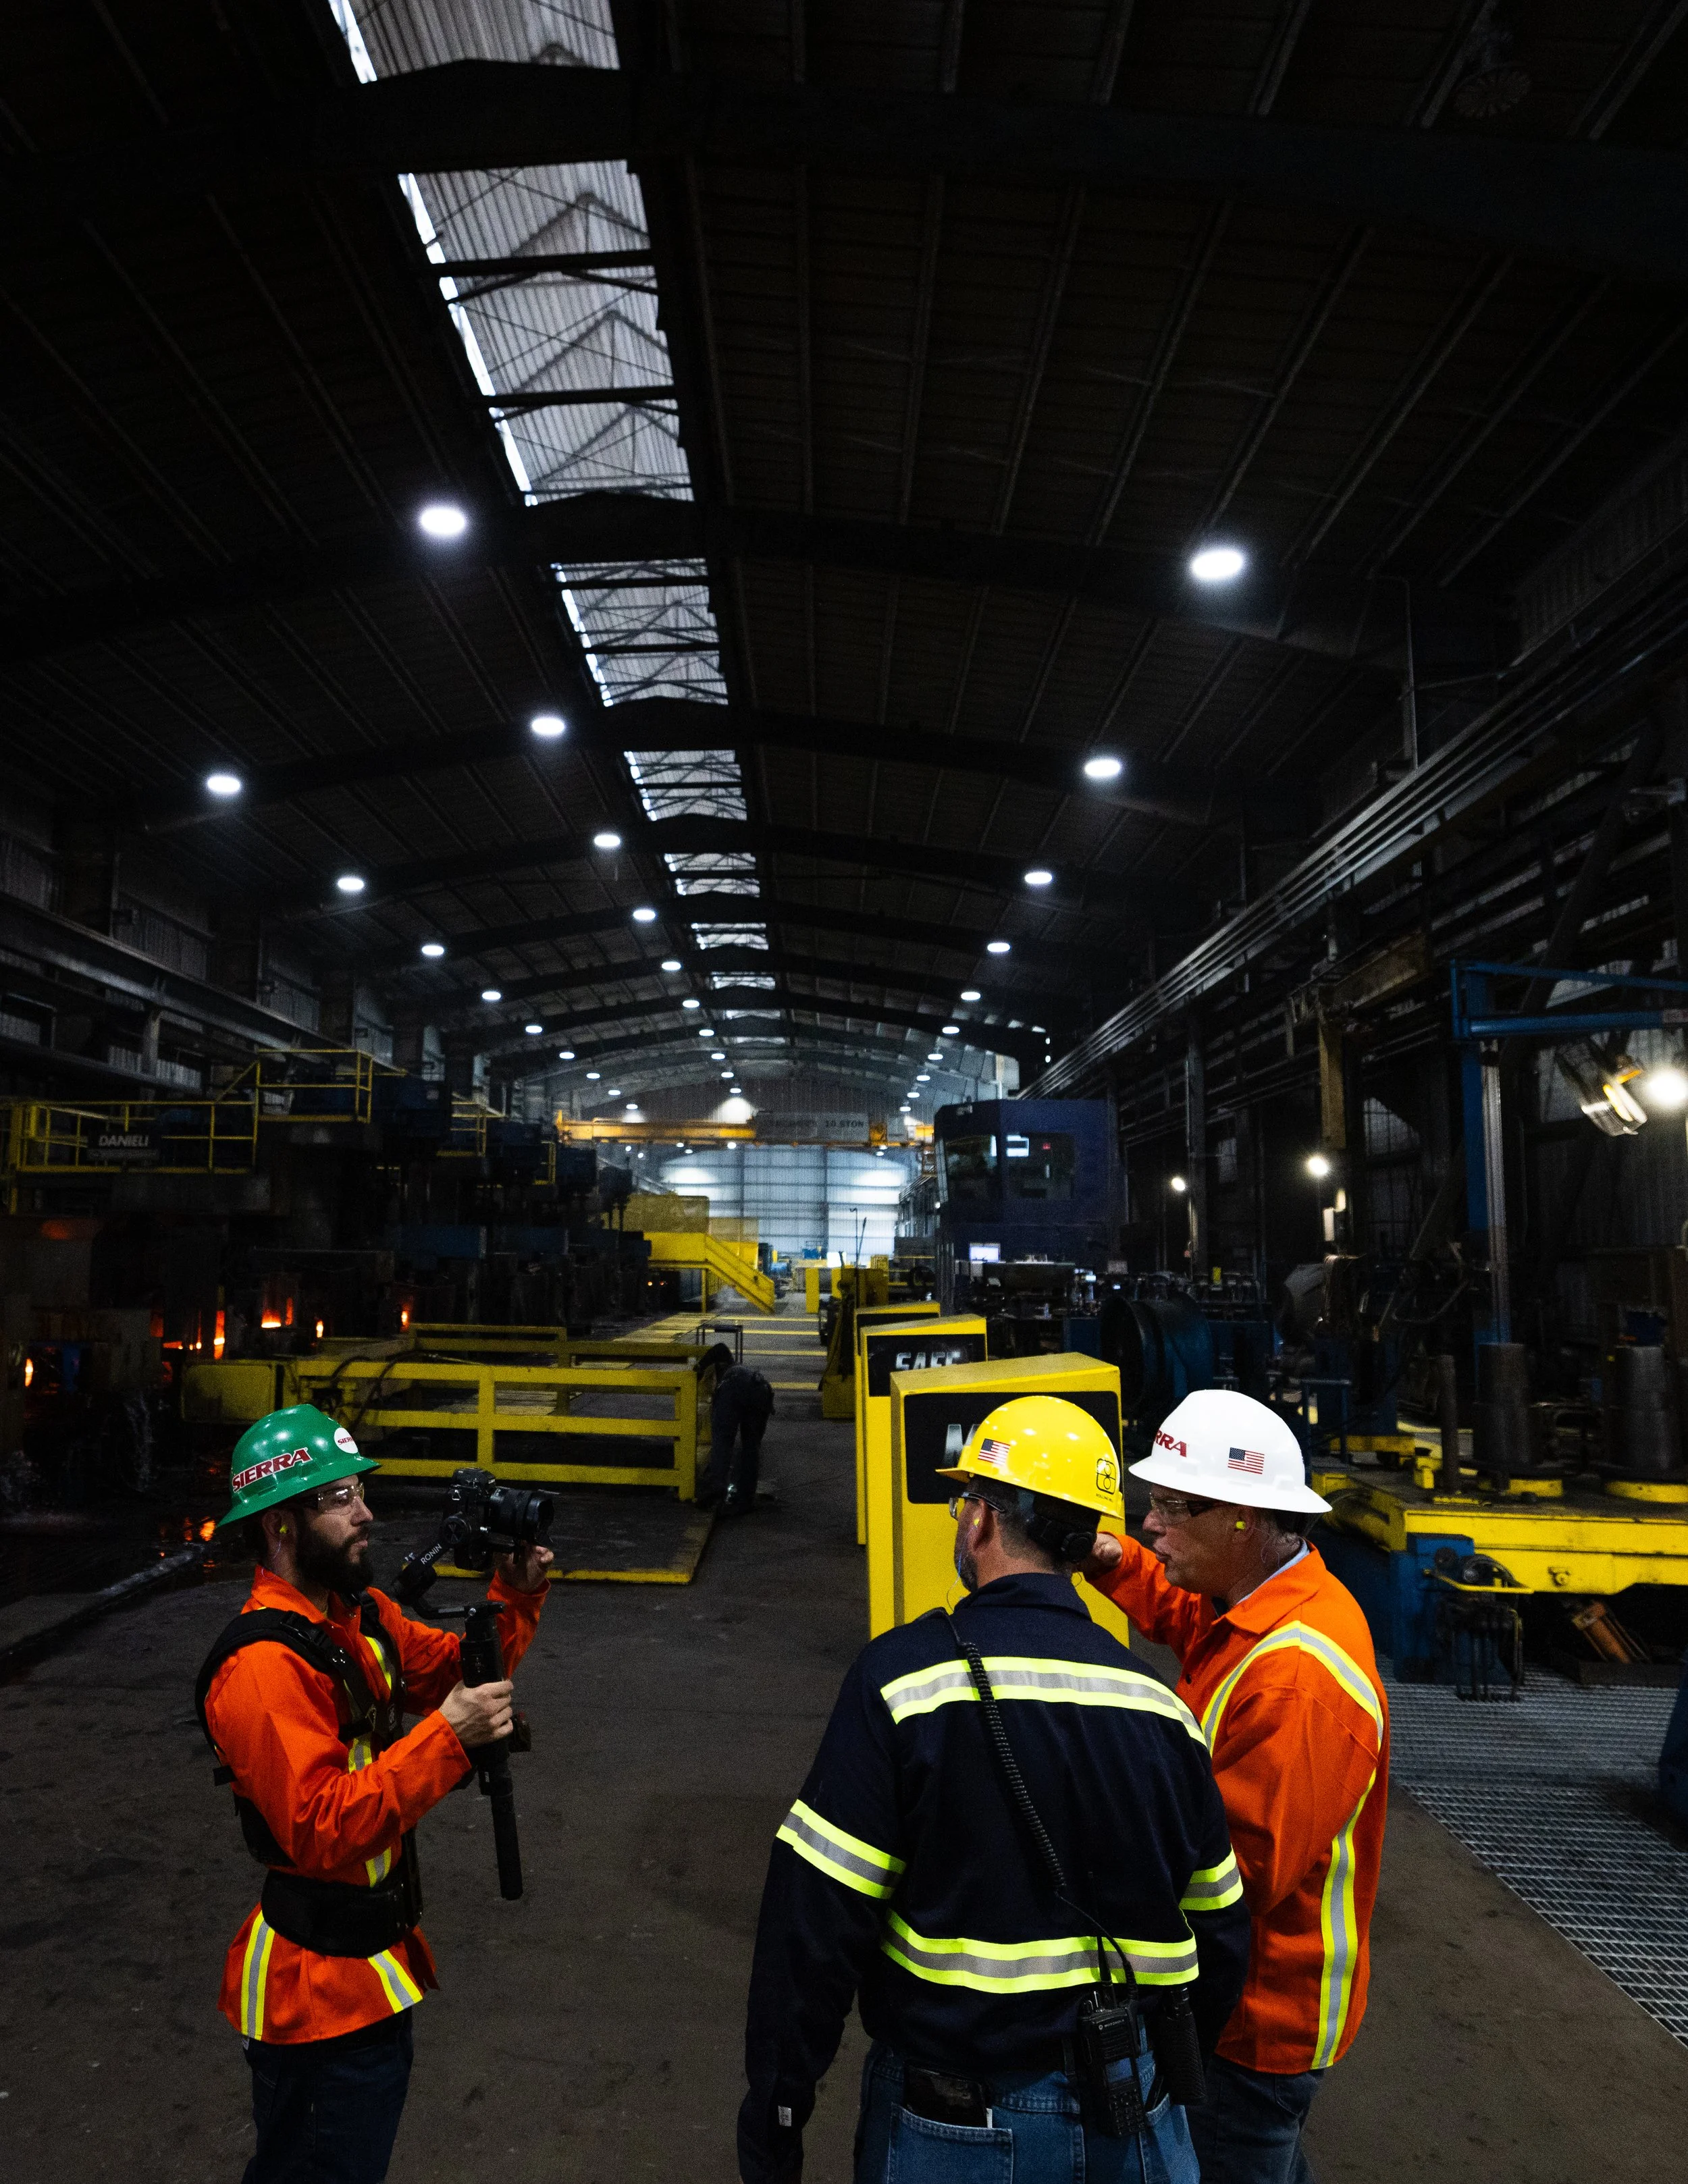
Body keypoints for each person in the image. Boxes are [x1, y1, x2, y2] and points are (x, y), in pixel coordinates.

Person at [739, 1395, 1250, 2184]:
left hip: (956, 2134)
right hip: (1141, 2126)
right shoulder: (1163, 1711)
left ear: (979, 1519)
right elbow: (1220, 1935)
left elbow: (813, 1923)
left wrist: (778, 2107)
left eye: (962, 1501)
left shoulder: (904, 1682)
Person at [195, 1404, 552, 2184]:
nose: (367, 1514)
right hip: (315, 1993)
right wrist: (449, 1738)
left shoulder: (355, 1614)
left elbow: (461, 1673)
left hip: (365, 1973)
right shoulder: (261, 1668)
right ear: (280, 1524)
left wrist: (513, 1595)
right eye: (339, 1498)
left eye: (360, 1490)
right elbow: (319, 1827)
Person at [1083, 1387, 1388, 2184]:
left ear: (1243, 1517)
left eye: (1171, 1508)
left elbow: (1234, 1878)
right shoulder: (1267, 1603)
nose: (1150, 1525)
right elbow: (1192, 1621)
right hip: (1246, 2010)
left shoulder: (1296, 1683)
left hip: (1252, 2025)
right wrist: (1108, 1557)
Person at [698, 1343, 776, 1513]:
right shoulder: (743, 1370)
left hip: (735, 1389)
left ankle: (717, 1488)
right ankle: (745, 1499)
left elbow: (723, 1438)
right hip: (762, 1389)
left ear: (717, 1367)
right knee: (751, 1448)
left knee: (722, 1441)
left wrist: (699, 1368)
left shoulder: (727, 1378)